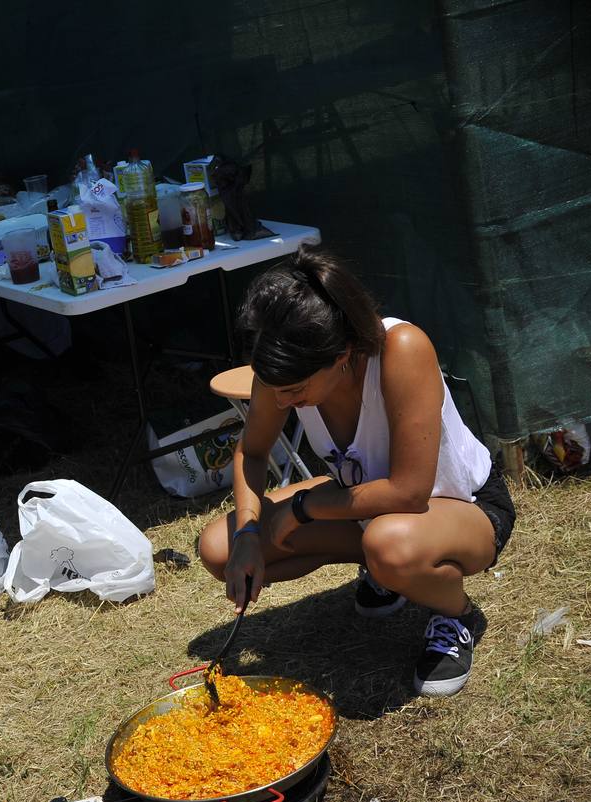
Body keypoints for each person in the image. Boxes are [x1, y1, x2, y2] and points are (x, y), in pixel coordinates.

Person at [196, 246, 515, 698]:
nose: (282, 402)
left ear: (342, 353)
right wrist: (248, 535)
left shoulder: (402, 347)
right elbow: (252, 452)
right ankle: (386, 573)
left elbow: (409, 492)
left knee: (389, 542)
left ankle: (453, 613)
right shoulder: (282, 365)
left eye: (296, 391)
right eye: (276, 390)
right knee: (218, 548)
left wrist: (304, 508)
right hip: (362, 505)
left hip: (462, 505)